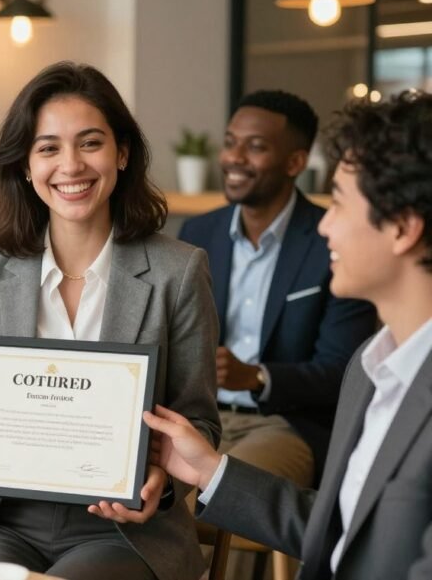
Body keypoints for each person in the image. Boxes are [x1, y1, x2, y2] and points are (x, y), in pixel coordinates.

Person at [0, 62, 220, 580]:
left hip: (123, 530)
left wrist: (161, 484)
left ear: (122, 153)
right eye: (48, 148)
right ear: (25, 166)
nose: (71, 166)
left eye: (90, 143)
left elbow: (200, 422)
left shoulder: (179, 271)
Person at [146, 90, 432, 580]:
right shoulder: (372, 370)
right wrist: (212, 471)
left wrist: (252, 377)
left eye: (338, 203)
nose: (324, 225)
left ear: (403, 228)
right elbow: (337, 535)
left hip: (285, 423)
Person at [179, 90, 376, 487]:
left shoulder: (331, 241)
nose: (234, 158)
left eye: (255, 147)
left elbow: (342, 372)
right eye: (231, 142)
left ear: (295, 162)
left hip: (285, 427)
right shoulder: (198, 232)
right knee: (148, 497)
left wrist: (255, 377)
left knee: (219, 494)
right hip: (199, 419)